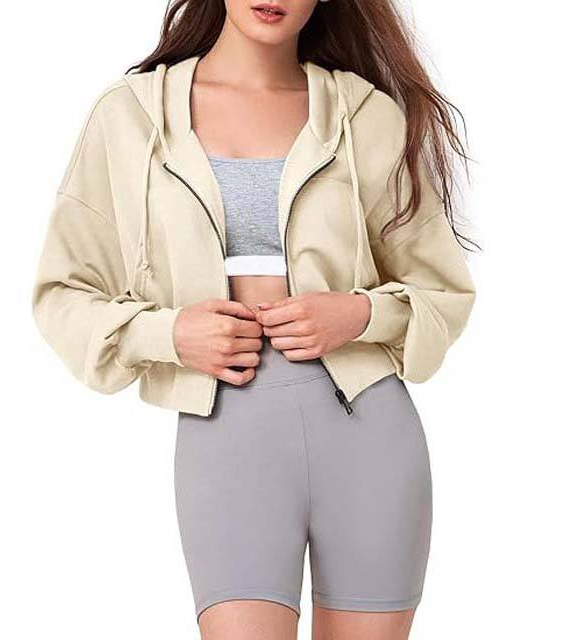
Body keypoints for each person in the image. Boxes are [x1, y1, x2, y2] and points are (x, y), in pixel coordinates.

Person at [32, 1, 476, 638]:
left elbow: (442, 290)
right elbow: (63, 292)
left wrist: (358, 314)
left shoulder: (365, 115)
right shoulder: (130, 115)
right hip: (227, 432)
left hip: (369, 430)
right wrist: (171, 333)